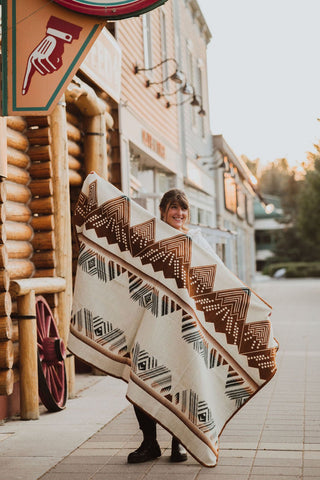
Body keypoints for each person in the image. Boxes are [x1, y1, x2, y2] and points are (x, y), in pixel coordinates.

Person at [128, 188, 217, 464]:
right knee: (144, 376)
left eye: (183, 209)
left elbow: (215, 275)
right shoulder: (151, 238)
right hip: (151, 319)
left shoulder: (196, 240)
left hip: (185, 322)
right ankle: (149, 443)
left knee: (182, 380)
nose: (179, 214)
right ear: (164, 211)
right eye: (173, 208)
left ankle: (178, 444)